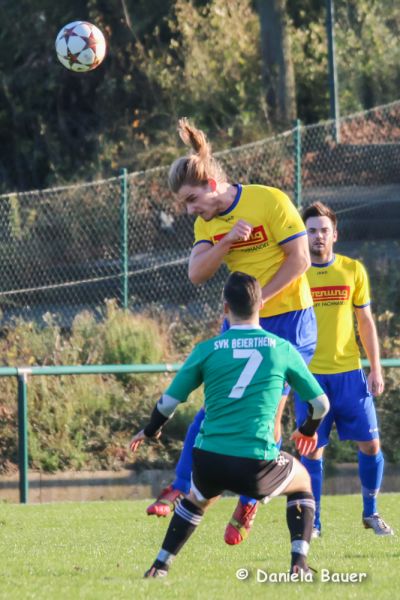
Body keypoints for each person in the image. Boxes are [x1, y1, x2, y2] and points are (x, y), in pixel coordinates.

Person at [146, 118, 317, 546]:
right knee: (212, 409)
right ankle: (181, 485)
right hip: (242, 319)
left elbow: (300, 260)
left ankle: (250, 498)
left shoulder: (268, 200)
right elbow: (196, 273)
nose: (190, 209)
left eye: (192, 199)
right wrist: (226, 243)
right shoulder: (207, 223)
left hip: (290, 318)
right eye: (184, 203)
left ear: (212, 183)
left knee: (269, 414)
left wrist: (260, 301)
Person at [130, 272, 329, 578]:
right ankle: (299, 564)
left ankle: (159, 566)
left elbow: (168, 403)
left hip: (209, 459)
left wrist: (151, 429)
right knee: (302, 480)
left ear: (225, 308)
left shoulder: (207, 349)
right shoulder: (282, 349)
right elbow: (321, 405)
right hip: (255, 463)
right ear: (261, 305)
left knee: (197, 498)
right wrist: (307, 430)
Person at [296, 201, 394, 537]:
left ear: (335, 234)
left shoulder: (352, 270)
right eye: (311, 231)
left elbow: (365, 322)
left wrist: (375, 368)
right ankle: (314, 523)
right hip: (309, 378)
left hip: (350, 375)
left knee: (371, 446)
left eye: (324, 230)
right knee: (312, 450)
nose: (318, 236)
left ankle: (371, 512)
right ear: (303, 235)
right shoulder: (295, 273)